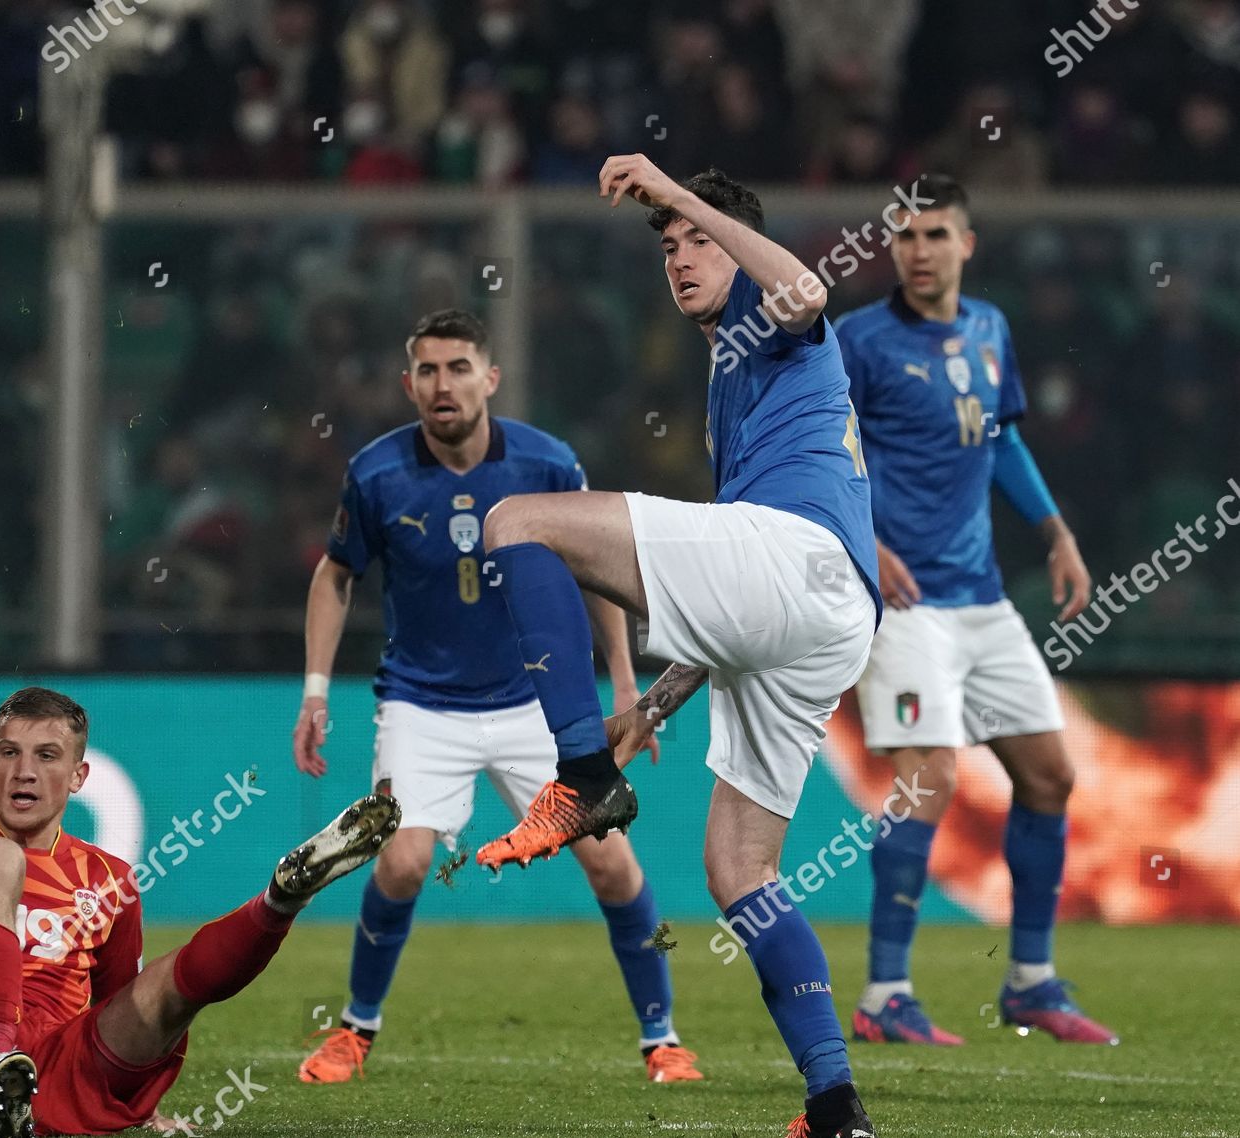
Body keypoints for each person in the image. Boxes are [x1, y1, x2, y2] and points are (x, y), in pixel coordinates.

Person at [474, 159, 881, 1138]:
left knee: (516, 521)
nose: (681, 255)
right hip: (826, 614)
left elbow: (809, 290)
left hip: (803, 562)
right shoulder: (730, 379)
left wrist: (681, 191)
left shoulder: (777, 320)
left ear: (735, 241)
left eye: (697, 239)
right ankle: (837, 1106)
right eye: (667, 245)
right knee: (739, 870)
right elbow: (739, 591)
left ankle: (579, 777)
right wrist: (651, 706)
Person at [292, 308, 702, 1084]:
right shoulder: (376, 473)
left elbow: (598, 570)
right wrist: (315, 690)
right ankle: (356, 1029)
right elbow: (336, 572)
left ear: (490, 377)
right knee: (404, 863)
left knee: (614, 867)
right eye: (427, 371)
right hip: (421, 704)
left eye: (457, 368)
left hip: (534, 708)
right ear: (408, 383)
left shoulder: (548, 465)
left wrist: (623, 681)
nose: (442, 385)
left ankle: (663, 1039)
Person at [0, 686, 400, 1138]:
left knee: (168, 988)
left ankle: (279, 900)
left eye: (47, 756)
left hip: (54, 1082)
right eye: (9, 753)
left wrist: (139, 1108)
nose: (24, 771)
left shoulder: (109, 879)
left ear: (78, 778)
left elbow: (125, 1011)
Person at [833, 173, 1117, 1047]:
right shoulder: (859, 341)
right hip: (905, 600)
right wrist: (866, 543)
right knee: (932, 779)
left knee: (1049, 776)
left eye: (935, 235)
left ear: (967, 243)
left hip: (982, 598)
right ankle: (885, 994)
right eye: (905, 237)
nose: (918, 252)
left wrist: (1058, 533)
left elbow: (1003, 440)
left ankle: (1030, 982)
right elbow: (822, 446)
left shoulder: (991, 329)